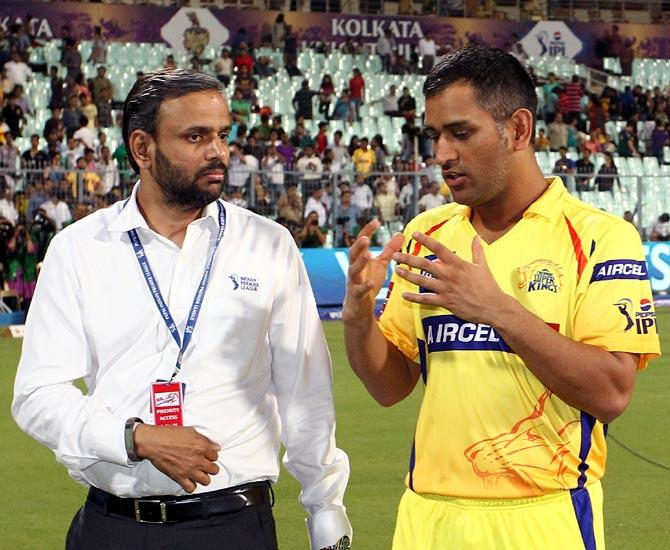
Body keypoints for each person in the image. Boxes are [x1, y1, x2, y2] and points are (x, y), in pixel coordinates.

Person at [13, 68, 352, 550]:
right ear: (142, 148)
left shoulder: (268, 245)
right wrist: (135, 438)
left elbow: (305, 391)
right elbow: (37, 395)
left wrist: (325, 506)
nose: (217, 151)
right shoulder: (80, 249)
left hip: (233, 526)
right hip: (113, 526)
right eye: (195, 136)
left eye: (222, 135)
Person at [342, 45, 659, 550]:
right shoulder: (429, 231)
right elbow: (390, 387)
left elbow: (611, 393)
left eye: (461, 133)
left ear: (518, 129)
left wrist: (495, 308)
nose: (442, 154)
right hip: (427, 518)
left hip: (543, 519)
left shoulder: (599, 236)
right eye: (435, 136)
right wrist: (358, 316)